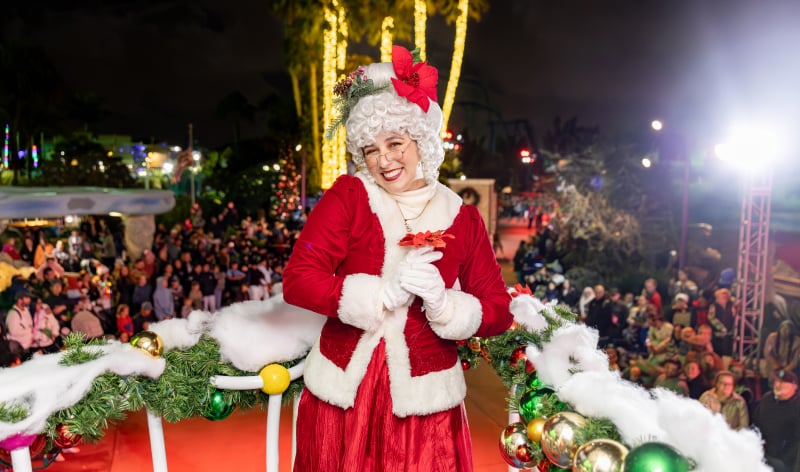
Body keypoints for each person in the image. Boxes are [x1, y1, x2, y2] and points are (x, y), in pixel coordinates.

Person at [282, 45, 514, 471]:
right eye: (370, 149)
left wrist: (445, 306)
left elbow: (498, 308)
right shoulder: (349, 197)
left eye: (395, 143)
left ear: (420, 141)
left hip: (425, 408)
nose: (384, 159)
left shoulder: (462, 218)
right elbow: (299, 278)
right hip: (344, 396)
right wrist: (377, 295)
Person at [751, 369, 800, 472]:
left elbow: (796, 439)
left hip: (784, 460)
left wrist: (785, 458)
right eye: (776, 381)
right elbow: (756, 423)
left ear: (794, 386)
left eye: (782, 382)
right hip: (762, 453)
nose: (777, 385)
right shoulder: (767, 399)